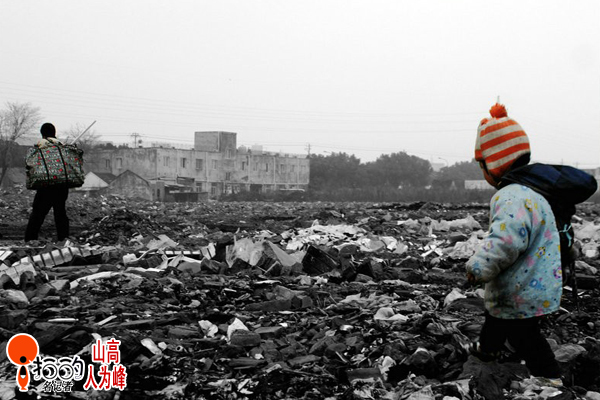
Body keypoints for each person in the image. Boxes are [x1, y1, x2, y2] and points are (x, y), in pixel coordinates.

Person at [465, 103, 597, 385]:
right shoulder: (536, 192)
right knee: (498, 318)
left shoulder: (511, 196)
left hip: (521, 287)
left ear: (494, 163)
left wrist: (479, 267)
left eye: (483, 164)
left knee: (525, 335)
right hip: (538, 282)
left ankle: (551, 379)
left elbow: (506, 241)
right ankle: (488, 350)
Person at [24, 123, 70, 242]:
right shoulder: (62, 146)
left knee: (38, 213)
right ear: (54, 133)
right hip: (62, 186)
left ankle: (30, 239)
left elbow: (31, 164)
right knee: (60, 213)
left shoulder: (41, 145)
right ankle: (64, 239)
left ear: (42, 134)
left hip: (46, 186)